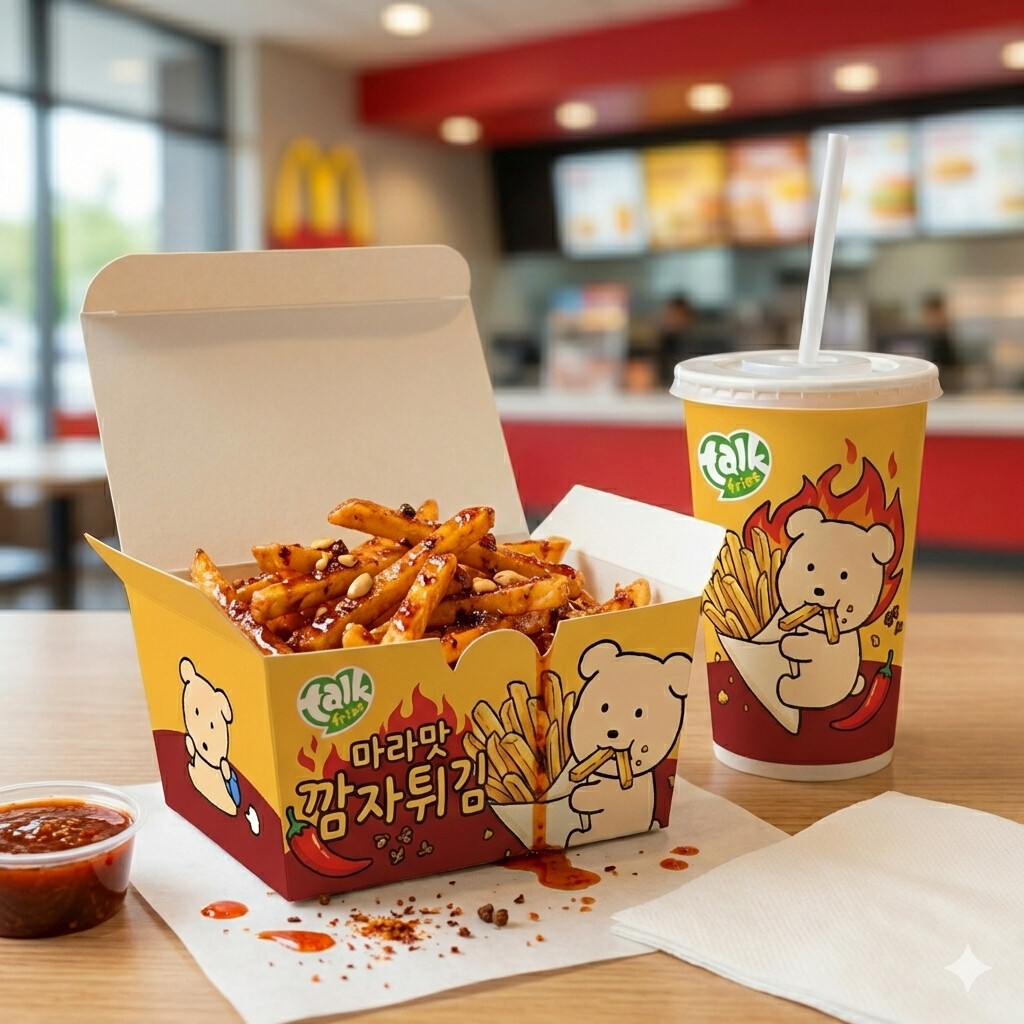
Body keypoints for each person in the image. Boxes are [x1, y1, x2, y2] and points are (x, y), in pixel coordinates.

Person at [657, 294, 699, 386]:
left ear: (688, 317)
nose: (673, 319)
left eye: (677, 315)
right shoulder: (662, 343)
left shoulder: (697, 344)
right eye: (670, 315)